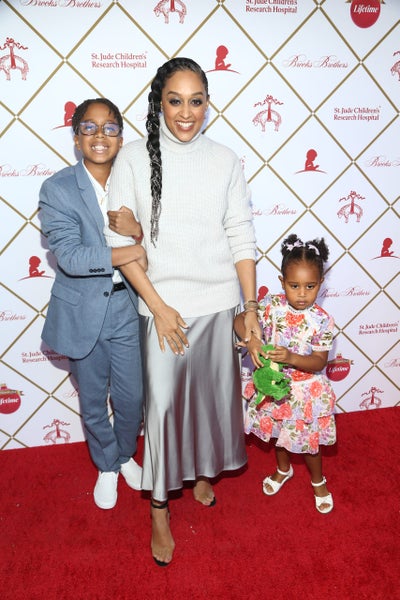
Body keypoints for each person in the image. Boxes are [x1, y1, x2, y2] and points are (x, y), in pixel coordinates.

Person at [104, 57, 260, 566]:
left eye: (196, 101)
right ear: (159, 103)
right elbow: (119, 245)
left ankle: (198, 475)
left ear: (208, 104)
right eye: (175, 101)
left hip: (218, 304)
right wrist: (158, 307)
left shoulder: (226, 160)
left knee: (209, 404)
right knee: (164, 410)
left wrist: (250, 307)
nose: (186, 113)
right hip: (162, 308)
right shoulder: (132, 158)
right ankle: (158, 509)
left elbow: (240, 235)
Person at [39, 98, 146, 510]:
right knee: (92, 399)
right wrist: (128, 250)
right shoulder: (58, 188)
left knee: (132, 397)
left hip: (127, 306)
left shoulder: (136, 180)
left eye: (109, 127)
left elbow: (161, 239)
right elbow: (70, 256)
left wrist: (138, 233)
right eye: (89, 127)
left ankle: (125, 454)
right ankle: (107, 465)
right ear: (76, 136)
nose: (100, 135)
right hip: (82, 311)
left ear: (120, 136)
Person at [234, 233, 336, 514]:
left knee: (309, 444)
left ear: (321, 283)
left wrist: (291, 357)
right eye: (294, 286)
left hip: (305, 393)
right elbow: (239, 320)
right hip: (275, 388)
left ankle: (318, 481)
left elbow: (319, 362)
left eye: (310, 286)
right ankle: (283, 469)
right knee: (279, 434)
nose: (302, 293)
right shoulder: (271, 305)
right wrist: (251, 340)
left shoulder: (322, 321)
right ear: (282, 282)